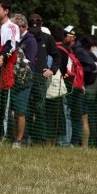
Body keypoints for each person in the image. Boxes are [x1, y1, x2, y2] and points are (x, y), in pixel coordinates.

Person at [24, 14, 60, 146]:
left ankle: (39, 139)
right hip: (25, 77)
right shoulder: (25, 36)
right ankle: (24, 137)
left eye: (37, 22)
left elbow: (57, 56)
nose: (34, 23)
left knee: (40, 108)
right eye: (32, 21)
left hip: (40, 78)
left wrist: (52, 70)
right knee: (25, 108)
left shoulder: (47, 38)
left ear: (41, 23)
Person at [0, 0, 19, 142]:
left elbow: (11, 45)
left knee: (2, 106)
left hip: (4, 69)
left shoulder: (12, 27)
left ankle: (0, 136)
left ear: (6, 11)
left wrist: (2, 56)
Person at [11, 14, 37, 148]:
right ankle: (14, 136)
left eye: (16, 27)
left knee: (20, 111)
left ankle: (19, 139)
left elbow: (30, 63)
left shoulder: (30, 41)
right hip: (13, 79)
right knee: (14, 111)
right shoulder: (16, 39)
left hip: (24, 80)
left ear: (23, 26)